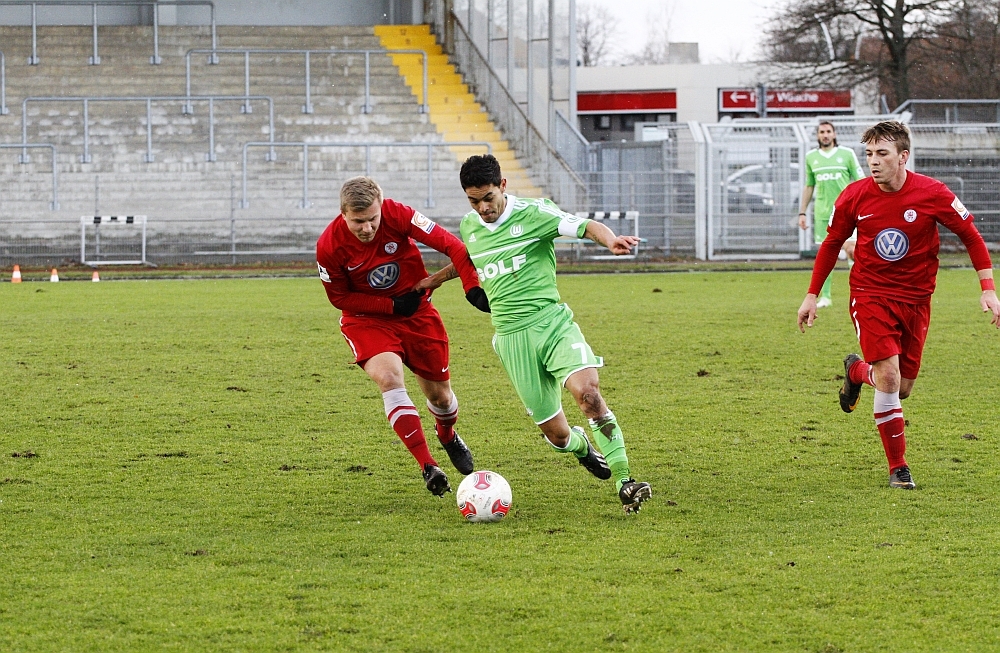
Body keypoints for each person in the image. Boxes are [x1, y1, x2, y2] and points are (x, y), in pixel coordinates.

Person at [421, 154, 652, 514]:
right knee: (558, 436)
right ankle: (581, 449)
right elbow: (471, 259)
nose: (483, 208)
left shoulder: (535, 213)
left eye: (488, 198)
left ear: (503, 186)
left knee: (588, 394)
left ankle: (625, 481)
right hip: (511, 339)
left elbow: (585, 225)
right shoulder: (470, 226)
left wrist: (609, 241)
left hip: (552, 324)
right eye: (474, 200)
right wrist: (434, 280)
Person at [797, 121, 999, 490]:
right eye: (869, 154)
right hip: (870, 293)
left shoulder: (933, 193)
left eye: (882, 154)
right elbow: (830, 244)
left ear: (903, 157)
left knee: (901, 388)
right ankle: (899, 469)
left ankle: (856, 371)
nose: (873, 162)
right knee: (889, 378)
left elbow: (971, 236)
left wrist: (988, 288)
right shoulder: (854, 196)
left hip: (917, 300)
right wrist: (812, 294)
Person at [316, 176, 492, 497]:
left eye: (372, 219)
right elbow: (340, 299)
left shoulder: (398, 215)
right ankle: (428, 465)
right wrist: (389, 304)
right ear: (343, 214)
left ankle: (448, 434)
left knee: (441, 399)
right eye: (358, 222)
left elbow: (454, 246)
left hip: (418, 315)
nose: (367, 228)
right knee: (389, 378)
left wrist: (472, 287)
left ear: (381, 206)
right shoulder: (329, 246)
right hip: (368, 320)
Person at [797, 121, 865, 308]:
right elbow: (809, 185)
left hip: (846, 213)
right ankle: (825, 297)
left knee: (852, 250)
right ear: (818, 136)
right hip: (823, 214)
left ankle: (858, 293)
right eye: (821, 132)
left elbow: (861, 181)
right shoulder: (811, 157)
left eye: (828, 131)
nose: (825, 135)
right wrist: (802, 212)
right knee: (826, 255)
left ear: (834, 134)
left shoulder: (847, 154)